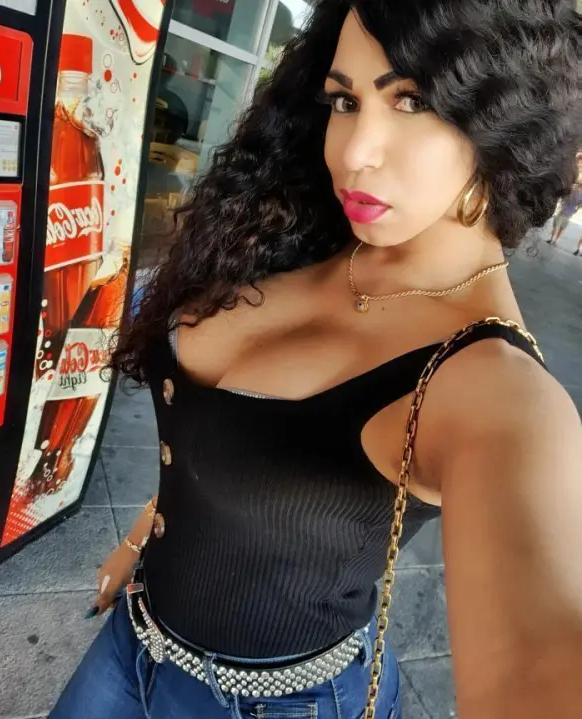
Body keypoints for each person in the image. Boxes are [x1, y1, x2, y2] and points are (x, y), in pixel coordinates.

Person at [50, 2, 582, 718]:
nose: (354, 152)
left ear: (505, 122)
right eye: (344, 100)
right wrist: (141, 534)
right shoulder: (304, 233)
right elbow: (221, 444)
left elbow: (539, 664)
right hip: (129, 642)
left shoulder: (495, 389)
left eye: (411, 101)